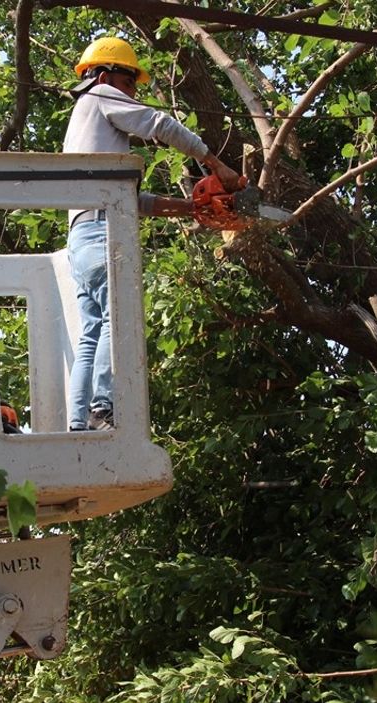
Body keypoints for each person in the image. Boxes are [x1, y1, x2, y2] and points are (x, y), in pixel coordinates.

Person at [64, 37, 242, 431]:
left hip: (81, 238)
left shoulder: (84, 127)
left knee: (91, 333)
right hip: (102, 231)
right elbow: (159, 123)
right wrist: (214, 163)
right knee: (115, 319)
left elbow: (132, 200)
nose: (132, 95)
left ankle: (79, 422)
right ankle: (104, 409)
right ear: (107, 73)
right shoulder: (101, 94)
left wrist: (192, 208)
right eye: (131, 85)